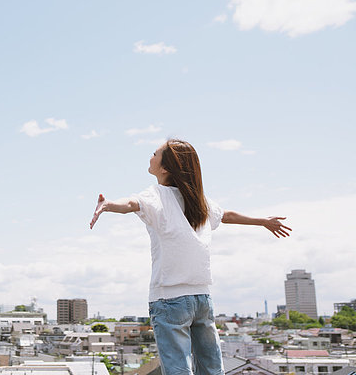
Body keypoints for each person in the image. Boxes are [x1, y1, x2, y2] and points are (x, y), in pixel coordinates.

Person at [89, 139, 291, 375]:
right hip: (202, 299)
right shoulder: (198, 200)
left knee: (178, 369)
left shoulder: (157, 194)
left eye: (154, 154)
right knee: (212, 368)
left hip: (169, 298)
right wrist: (262, 221)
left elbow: (132, 203)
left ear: (165, 168)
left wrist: (108, 205)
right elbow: (226, 215)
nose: (150, 157)